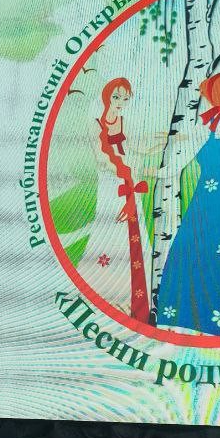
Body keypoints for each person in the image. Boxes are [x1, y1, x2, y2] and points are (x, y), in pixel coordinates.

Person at [156, 70, 220, 335]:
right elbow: (192, 151)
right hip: (209, 191)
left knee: (216, 241)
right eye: (218, 90)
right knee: (198, 241)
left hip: (218, 193)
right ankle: (187, 311)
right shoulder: (210, 124)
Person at [77, 77, 150, 322]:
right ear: (106, 96)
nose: (120, 102)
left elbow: (138, 146)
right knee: (109, 232)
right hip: (112, 184)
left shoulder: (126, 122)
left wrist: (165, 141)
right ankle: (104, 295)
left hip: (128, 182)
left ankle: (134, 299)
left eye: (125, 98)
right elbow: (101, 157)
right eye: (116, 97)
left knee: (136, 237)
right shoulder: (95, 124)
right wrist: (122, 170)